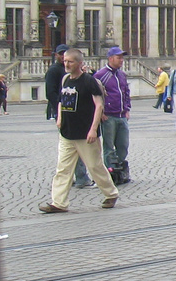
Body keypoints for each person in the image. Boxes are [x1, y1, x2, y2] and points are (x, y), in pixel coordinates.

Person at [39, 48, 119, 213]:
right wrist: (60, 118)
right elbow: (61, 100)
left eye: (71, 61)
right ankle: (59, 203)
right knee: (63, 168)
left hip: (85, 133)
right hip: (67, 132)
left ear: (80, 63)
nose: (67, 64)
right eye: (65, 61)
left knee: (94, 166)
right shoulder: (65, 79)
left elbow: (99, 105)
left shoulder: (89, 81)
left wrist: (93, 129)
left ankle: (111, 193)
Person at [93, 46, 133, 185]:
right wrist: (101, 112)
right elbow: (95, 95)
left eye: (122, 57)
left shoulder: (122, 75)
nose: (121, 60)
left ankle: (120, 168)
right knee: (109, 146)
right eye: (119, 57)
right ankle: (110, 171)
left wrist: (127, 108)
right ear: (110, 58)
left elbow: (126, 92)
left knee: (123, 145)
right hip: (109, 116)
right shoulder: (100, 75)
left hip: (122, 114)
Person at [44, 43, 68, 122]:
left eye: (65, 54)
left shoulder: (69, 68)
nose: (63, 56)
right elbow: (50, 92)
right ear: (56, 55)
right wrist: (59, 106)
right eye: (61, 54)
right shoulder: (53, 70)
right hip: (61, 108)